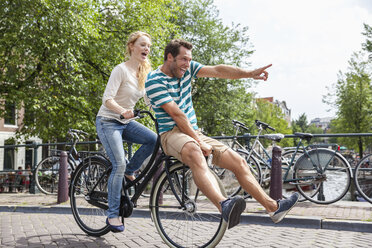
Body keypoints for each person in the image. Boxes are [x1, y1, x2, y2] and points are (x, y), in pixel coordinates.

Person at [146, 39, 299, 229]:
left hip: (193, 132)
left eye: (189, 59)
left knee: (239, 162)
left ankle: (273, 208)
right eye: (184, 59)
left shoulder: (187, 69)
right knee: (195, 151)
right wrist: (198, 141)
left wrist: (250, 74)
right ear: (170, 57)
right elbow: (176, 114)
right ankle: (223, 204)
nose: (188, 64)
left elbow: (219, 71)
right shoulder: (154, 80)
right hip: (171, 134)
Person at [96, 31, 157, 232]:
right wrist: (123, 111)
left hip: (126, 122)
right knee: (118, 164)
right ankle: (113, 215)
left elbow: (149, 101)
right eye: (142, 45)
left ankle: (131, 170)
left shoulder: (145, 72)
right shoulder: (120, 70)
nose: (146, 49)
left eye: (148, 46)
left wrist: (167, 113)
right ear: (132, 46)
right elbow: (107, 99)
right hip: (108, 121)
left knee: (153, 140)